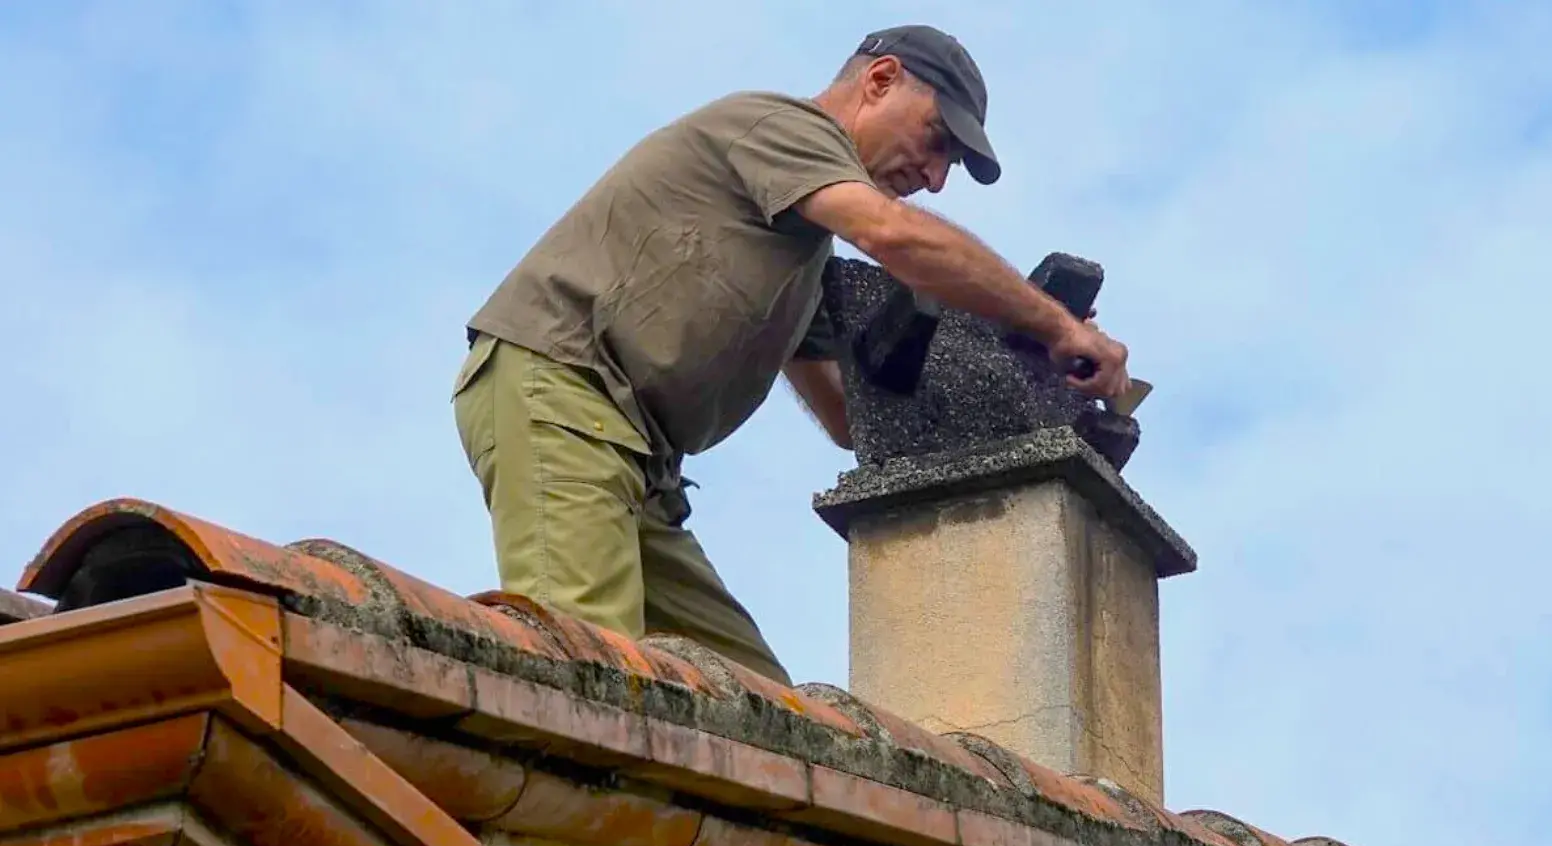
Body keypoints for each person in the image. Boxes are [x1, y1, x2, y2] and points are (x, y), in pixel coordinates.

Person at [452, 24, 1132, 684]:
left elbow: (847, 419)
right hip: (565, 394)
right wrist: (1052, 325)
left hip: (639, 470)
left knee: (768, 724)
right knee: (588, 680)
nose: (933, 178)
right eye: (935, 141)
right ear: (880, 79)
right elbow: (894, 237)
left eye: (948, 164)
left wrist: (1006, 365)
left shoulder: (802, 256)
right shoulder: (777, 127)